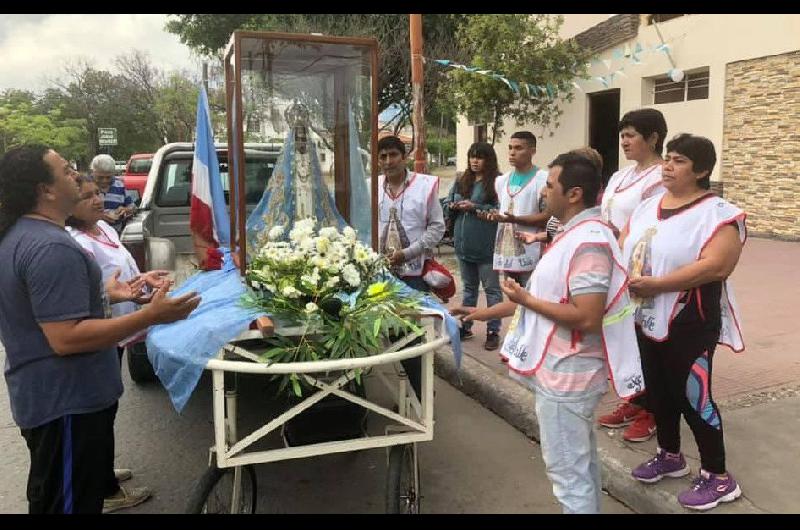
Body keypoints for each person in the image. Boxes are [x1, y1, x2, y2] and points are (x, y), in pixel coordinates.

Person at [0, 145, 201, 514]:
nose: (76, 174)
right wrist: (151, 316)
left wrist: (109, 294)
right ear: (45, 189)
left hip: (54, 401)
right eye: (65, 170)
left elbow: (46, 312)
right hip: (67, 406)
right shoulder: (51, 248)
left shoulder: (28, 235)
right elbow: (65, 338)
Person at [453, 153, 643, 513]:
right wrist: (479, 312)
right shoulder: (572, 234)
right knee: (577, 466)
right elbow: (539, 299)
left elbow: (586, 316)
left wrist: (525, 298)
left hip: (570, 375)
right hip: (563, 371)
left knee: (568, 474)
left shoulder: (589, 241)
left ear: (573, 194)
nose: (543, 192)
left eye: (550, 186)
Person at [623, 134, 745, 511]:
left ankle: (719, 477)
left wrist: (656, 283)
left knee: (694, 395)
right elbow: (625, 243)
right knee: (658, 392)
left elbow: (717, 265)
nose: (668, 166)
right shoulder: (647, 206)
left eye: (678, 161)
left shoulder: (720, 213)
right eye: (668, 159)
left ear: (702, 170)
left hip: (690, 320)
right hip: (644, 315)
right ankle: (670, 455)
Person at [65, 176, 172, 512]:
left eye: (97, 194)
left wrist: (143, 281)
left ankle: (102, 471)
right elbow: (92, 292)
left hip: (119, 330)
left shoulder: (106, 230)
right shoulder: (77, 242)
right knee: (98, 410)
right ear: (70, 205)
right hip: (101, 333)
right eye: (86, 197)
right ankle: (105, 490)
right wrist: (124, 296)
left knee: (108, 405)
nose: (97, 200)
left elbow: (122, 278)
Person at [596, 108, 668, 443]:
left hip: (643, 268)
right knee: (626, 338)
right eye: (622, 135)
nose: (624, 141)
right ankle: (634, 399)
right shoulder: (620, 176)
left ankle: (653, 410)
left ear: (653, 138)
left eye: (631, 135)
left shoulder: (660, 178)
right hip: (615, 263)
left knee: (647, 342)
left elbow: (654, 222)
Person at [377, 135, 445, 396]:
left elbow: (437, 227)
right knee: (385, 338)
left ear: (403, 157)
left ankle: (423, 398)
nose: (387, 161)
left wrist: (408, 253)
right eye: (382, 156)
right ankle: (413, 396)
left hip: (412, 277)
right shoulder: (373, 187)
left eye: (393, 155)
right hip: (378, 277)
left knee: (411, 339)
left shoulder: (424, 186)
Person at [445, 142, 502, 350]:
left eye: (480, 157)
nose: (475, 161)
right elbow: (447, 201)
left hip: (486, 247)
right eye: (472, 157)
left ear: (489, 160)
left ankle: (493, 330)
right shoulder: (462, 179)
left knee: (492, 290)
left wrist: (474, 207)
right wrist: (452, 205)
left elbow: (498, 211)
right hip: (463, 246)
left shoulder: (497, 182)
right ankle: (466, 326)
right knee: (469, 289)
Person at [478, 131, 549, 290]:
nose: (512, 152)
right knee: (512, 297)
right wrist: (494, 216)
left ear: (532, 151)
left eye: (518, 148)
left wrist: (515, 219)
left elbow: (548, 216)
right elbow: (504, 211)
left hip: (532, 251)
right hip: (506, 251)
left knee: (532, 296)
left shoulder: (543, 179)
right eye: (510, 147)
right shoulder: (501, 181)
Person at [90, 154, 136, 234]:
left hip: (116, 233)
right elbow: (75, 212)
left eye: (108, 177)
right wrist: (99, 216)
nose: (104, 181)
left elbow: (132, 207)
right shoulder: (85, 185)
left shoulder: (120, 185)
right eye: (100, 177)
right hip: (92, 235)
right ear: (93, 172)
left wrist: (125, 210)